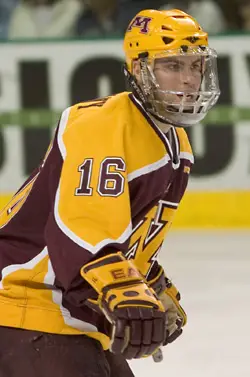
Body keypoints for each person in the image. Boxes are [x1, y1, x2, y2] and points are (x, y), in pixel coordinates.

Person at [0, 8, 220, 377]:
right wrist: (122, 288)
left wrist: (151, 284)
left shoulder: (176, 144)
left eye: (195, 66)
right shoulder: (102, 123)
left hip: (71, 316)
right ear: (138, 71)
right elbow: (82, 226)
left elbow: (126, 237)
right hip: (24, 305)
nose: (187, 80)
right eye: (172, 66)